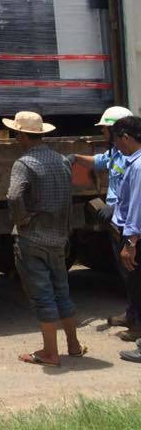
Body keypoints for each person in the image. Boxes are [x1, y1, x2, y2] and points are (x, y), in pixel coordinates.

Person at [3, 110, 85, 366]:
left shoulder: (23, 164)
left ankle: (50, 353)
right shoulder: (61, 161)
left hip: (33, 238)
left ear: (20, 135)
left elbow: (14, 196)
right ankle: (73, 345)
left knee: (42, 295)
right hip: (58, 237)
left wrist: (21, 219)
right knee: (62, 290)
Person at [69, 106, 136, 338]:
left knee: (134, 274)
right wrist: (76, 158)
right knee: (125, 273)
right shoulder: (117, 152)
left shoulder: (133, 159)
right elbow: (98, 162)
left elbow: (134, 194)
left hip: (128, 221)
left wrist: (115, 208)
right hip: (118, 221)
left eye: (106, 129)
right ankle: (132, 314)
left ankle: (137, 323)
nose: (104, 134)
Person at [108, 116, 141, 363]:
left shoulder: (138, 167)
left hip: (136, 238)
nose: (116, 146)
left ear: (126, 138)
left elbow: (137, 208)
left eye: (117, 140)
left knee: (138, 287)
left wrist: (130, 243)